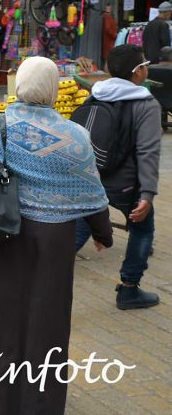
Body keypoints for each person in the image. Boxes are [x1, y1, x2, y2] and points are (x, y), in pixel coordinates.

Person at [0, 56, 112, 415]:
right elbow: (92, 189)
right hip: (52, 243)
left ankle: (1, 405)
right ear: (52, 88)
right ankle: (40, 406)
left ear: (19, 84)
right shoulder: (76, 136)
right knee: (46, 324)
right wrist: (103, 235)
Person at [75, 45, 162, 310]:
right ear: (138, 72)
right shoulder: (146, 103)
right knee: (142, 229)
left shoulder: (95, 94)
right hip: (126, 186)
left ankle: (39, 281)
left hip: (90, 179)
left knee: (79, 228)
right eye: (145, 64)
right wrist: (147, 194)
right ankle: (129, 290)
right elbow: (148, 152)